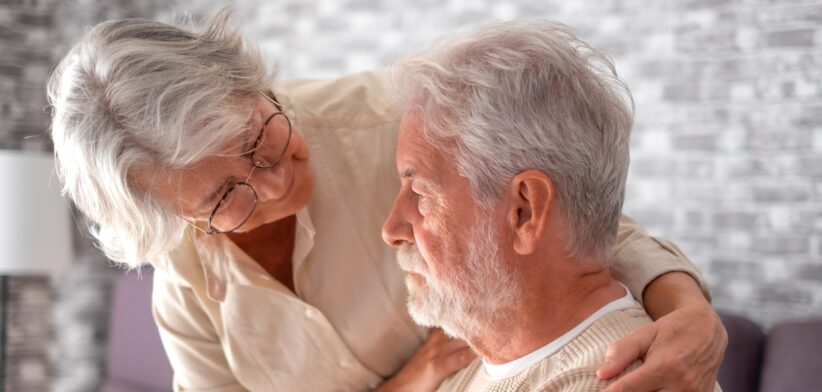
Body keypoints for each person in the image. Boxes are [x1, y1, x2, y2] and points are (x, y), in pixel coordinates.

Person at [47, 9, 726, 392]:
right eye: (227, 195)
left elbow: (569, 215)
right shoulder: (188, 292)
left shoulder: (389, 122)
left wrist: (689, 313)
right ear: (179, 221)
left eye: (263, 138)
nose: (277, 183)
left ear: (250, 83)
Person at [382, 20, 721, 391]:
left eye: (421, 194)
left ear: (524, 212)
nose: (391, 230)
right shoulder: (476, 363)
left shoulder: (616, 381)